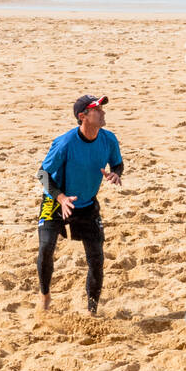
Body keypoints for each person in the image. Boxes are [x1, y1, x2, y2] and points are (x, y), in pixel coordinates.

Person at [35, 94, 125, 316]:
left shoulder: (108, 139)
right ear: (82, 116)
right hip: (56, 201)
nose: (103, 112)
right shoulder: (65, 143)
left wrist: (115, 173)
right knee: (46, 248)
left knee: (97, 259)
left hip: (86, 204)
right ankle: (45, 294)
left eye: (102, 108)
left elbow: (118, 163)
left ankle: (92, 312)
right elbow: (42, 174)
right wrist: (61, 197)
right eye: (97, 109)